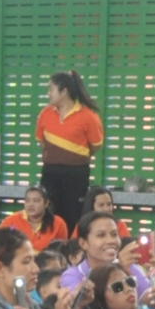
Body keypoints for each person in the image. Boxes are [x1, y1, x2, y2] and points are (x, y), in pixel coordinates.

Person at [35, 71, 104, 232]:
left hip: (76, 174)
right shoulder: (45, 114)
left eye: (51, 89)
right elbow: (42, 141)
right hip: (50, 171)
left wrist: (75, 156)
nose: (48, 93)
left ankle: (70, 245)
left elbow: (95, 145)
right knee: (48, 213)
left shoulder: (88, 116)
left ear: (64, 91)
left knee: (73, 214)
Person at [0, 185, 71, 252]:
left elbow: (62, 253)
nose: (31, 204)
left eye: (36, 201)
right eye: (27, 201)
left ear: (46, 203)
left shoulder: (58, 224)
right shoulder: (11, 221)